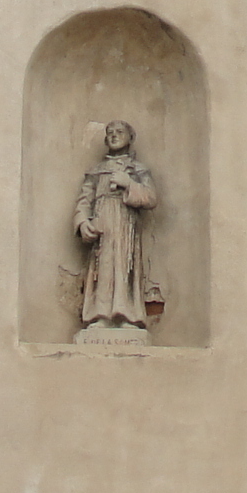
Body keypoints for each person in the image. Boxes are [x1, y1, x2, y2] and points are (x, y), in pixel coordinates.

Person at [74, 120, 162, 338]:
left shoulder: (137, 169)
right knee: (103, 269)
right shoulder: (97, 171)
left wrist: (128, 184)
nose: (114, 136)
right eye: (110, 133)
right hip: (102, 223)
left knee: (125, 268)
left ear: (130, 137)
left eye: (119, 132)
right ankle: (100, 315)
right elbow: (84, 200)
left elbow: (151, 198)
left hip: (125, 224)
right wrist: (83, 222)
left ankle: (127, 316)